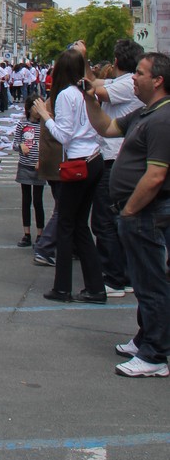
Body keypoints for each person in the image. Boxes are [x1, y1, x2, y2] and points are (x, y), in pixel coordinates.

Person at [82, 52, 170, 377]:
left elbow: (156, 175)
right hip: (136, 213)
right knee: (146, 282)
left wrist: (130, 211)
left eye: (141, 73)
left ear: (158, 80)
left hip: (146, 213)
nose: (133, 77)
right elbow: (106, 127)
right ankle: (145, 338)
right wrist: (90, 99)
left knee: (151, 284)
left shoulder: (163, 119)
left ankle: (154, 356)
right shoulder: (144, 113)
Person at [32, 46, 105, 304]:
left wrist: (45, 116)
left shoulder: (65, 95)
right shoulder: (86, 93)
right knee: (79, 226)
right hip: (94, 158)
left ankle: (62, 287)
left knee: (66, 224)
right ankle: (95, 287)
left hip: (78, 161)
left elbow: (63, 136)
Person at [86, 38, 144, 298]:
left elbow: (98, 91)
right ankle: (126, 275)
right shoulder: (124, 82)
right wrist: (84, 60)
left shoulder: (127, 85)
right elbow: (95, 83)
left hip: (115, 158)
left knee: (105, 220)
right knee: (117, 220)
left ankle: (114, 278)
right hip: (118, 156)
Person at [12, 95, 45, 247]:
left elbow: (48, 145)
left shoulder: (45, 125)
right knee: (26, 200)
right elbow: (15, 143)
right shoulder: (22, 124)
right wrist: (20, 146)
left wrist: (42, 160)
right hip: (24, 165)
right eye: (36, 106)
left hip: (38, 167)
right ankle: (26, 233)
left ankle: (40, 233)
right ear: (29, 108)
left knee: (38, 201)